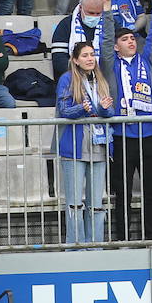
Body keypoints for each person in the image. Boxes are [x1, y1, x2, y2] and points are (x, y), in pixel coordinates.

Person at [100, 0, 152, 242]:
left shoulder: (146, 60)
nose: (130, 41)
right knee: (123, 191)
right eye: (125, 39)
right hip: (122, 134)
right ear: (117, 46)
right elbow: (105, 39)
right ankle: (123, 239)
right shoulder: (109, 63)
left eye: (132, 38)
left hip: (149, 133)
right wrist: (107, 7)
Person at [56, 41, 115, 246]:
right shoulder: (67, 79)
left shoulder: (101, 80)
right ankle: (75, 245)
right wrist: (83, 108)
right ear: (75, 60)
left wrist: (105, 109)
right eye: (85, 55)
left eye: (92, 54)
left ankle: (95, 244)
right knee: (74, 203)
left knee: (96, 203)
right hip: (75, 146)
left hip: (99, 145)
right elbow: (64, 110)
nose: (90, 59)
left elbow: (107, 113)